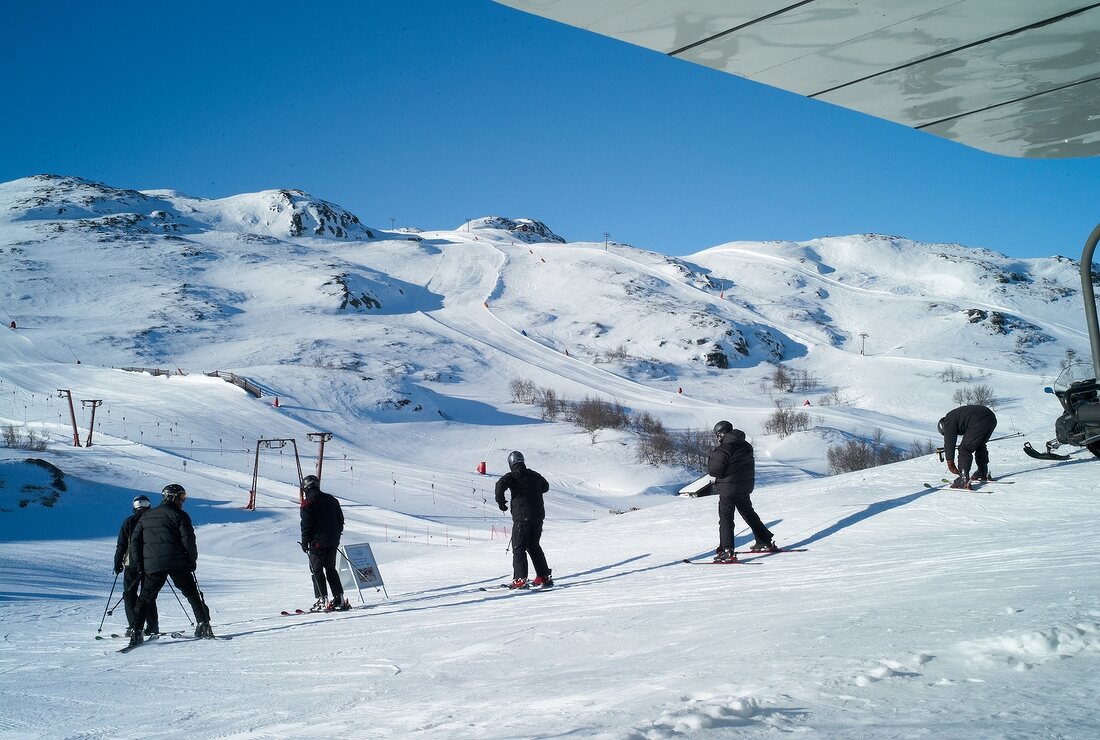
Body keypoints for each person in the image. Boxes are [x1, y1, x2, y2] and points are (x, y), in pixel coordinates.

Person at [127, 484, 214, 646]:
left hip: (153, 565)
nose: (183, 500)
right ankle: (203, 625)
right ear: (172, 497)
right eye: (182, 497)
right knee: (192, 594)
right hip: (177, 562)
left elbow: (135, 542)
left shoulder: (146, 516)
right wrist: (191, 560)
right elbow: (188, 540)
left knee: (145, 598)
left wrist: (140, 564)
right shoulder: (179, 514)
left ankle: (137, 631)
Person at [707, 421, 776, 562]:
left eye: (717, 435)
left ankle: (727, 550)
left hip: (728, 490)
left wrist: (712, 457)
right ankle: (764, 540)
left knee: (726, 519)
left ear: (721, 434)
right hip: (744, 487)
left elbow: (714, 471)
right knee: (749, 514)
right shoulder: (746, 445)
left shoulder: (723, 450)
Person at [495, 451, 553, 589]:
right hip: (538, 517)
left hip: (522, 518)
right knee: (534, 545)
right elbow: (546, 487)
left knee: (519, 548)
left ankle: (520, 580)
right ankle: (543, 576)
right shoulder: (535, 475)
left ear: (511, 463)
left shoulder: (512, 476)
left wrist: (501, 503)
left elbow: (499, 486)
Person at [300, 475, 347, 612]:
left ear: (306, 487)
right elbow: (340, 520)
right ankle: (339, 598)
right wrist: (336, 535)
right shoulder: (332, 500)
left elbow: (306, 525)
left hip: (317, 543)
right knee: (330, 568)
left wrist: (305, 542)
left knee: (316, 570)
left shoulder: (308, 503)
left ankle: (322, 600)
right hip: (333, 541)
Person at [113, 495, 159, 637]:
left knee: (129, 594)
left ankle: (133, 626)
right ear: (148, 506)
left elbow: (122, 544)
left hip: (131, 564)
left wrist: (117, 562)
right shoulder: (154, 521)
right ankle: (152, 625)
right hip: (152, 564)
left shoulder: (129, 521)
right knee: (148, 595)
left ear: (134, 506)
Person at [939, 404, 998, 488]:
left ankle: (963, 479)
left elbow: (949, 441)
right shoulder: (956, 416)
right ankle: (982, 471)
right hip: (991, 418)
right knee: (980, 445)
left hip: (978, 419)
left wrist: (950, 463)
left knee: (964, 449)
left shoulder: (948, 420)